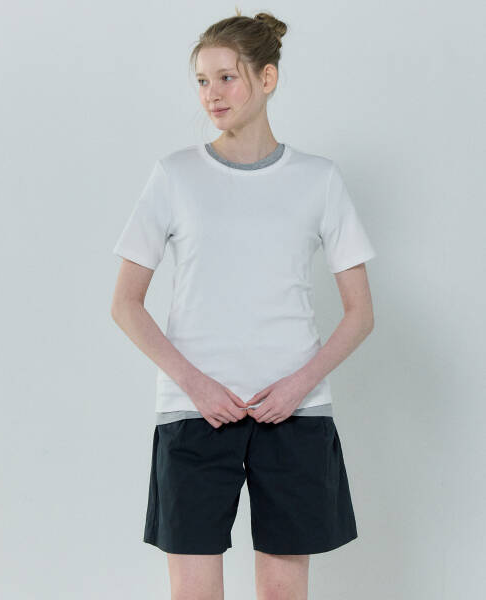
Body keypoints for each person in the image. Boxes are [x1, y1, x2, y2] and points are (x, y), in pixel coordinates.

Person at [111, 9, 377, 600]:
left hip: (296, 414)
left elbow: (360, 312)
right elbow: (126, 303)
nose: (212, 94)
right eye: (202, 81)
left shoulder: (319, 179)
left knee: (283, 592)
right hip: (193, 412)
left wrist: (298, 386)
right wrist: (197, 385)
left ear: (267, 77)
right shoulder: (175, 175)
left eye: (227, 78)